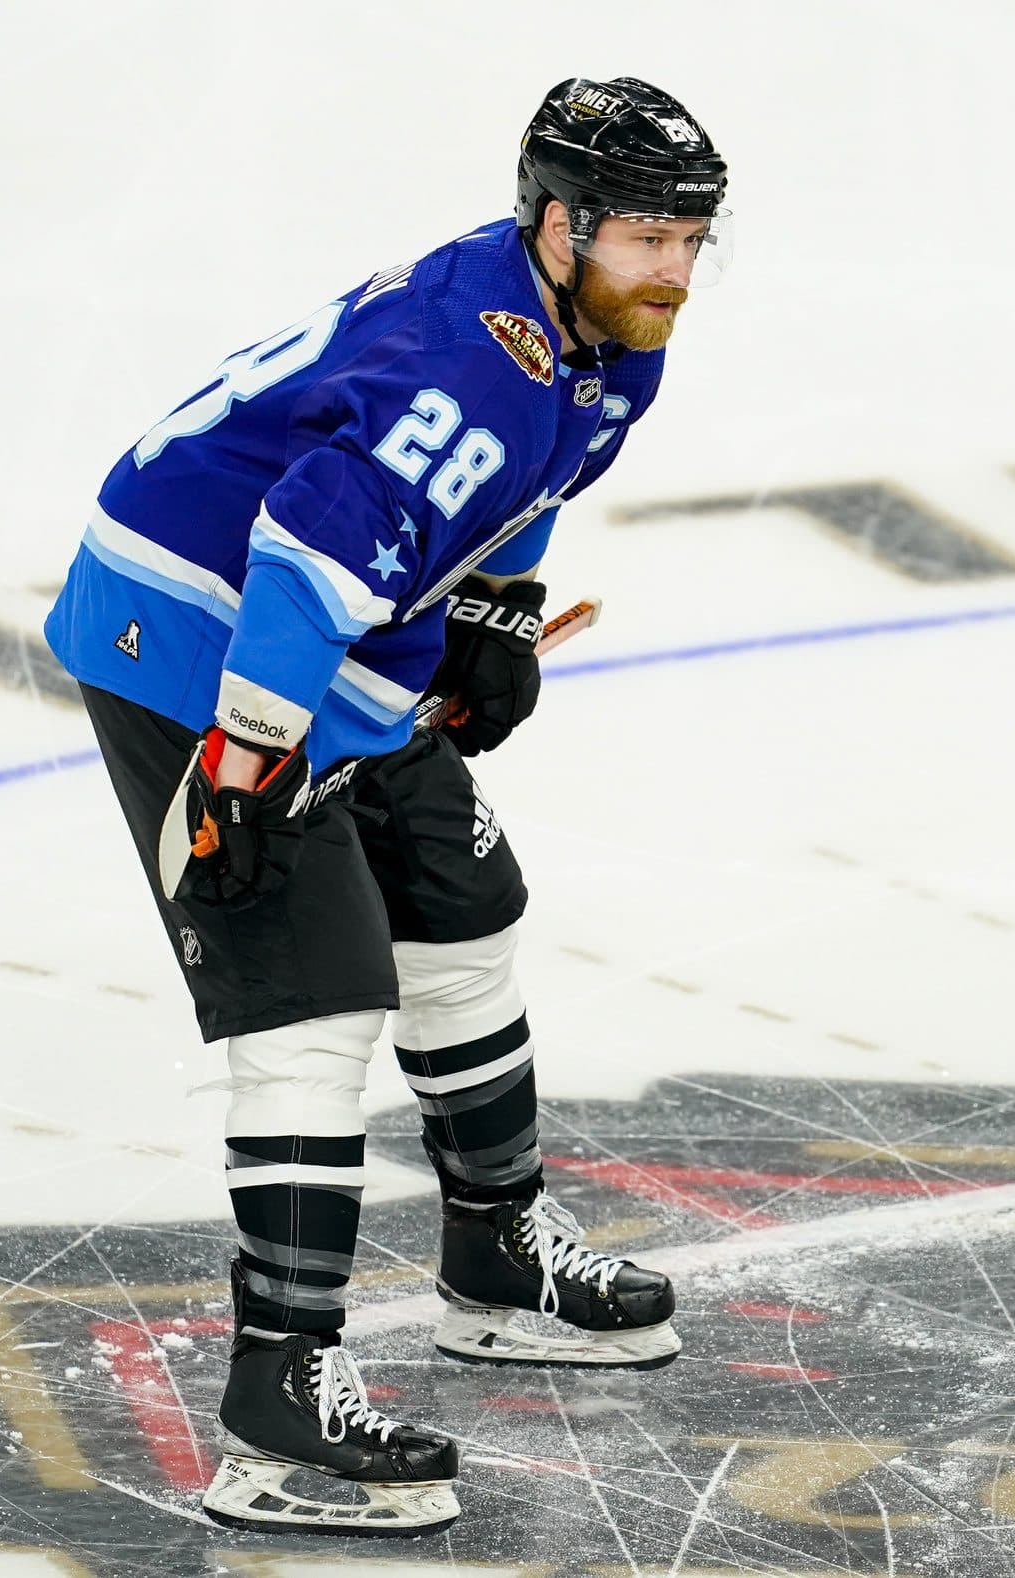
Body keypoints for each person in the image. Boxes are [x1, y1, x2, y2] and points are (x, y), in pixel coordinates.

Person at [40, 77, 731, 1535]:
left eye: (691, 237)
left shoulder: (603, 335)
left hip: (336, 642)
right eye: (646, 237)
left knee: (464, 903)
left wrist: (493, 602)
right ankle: (274, 1403)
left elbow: (539, 466)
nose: (673, 267)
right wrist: (241, 763)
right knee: (313, 1007)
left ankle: (496, 1262)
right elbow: (302, 545)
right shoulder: (469, 362)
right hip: (205, 640)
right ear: (559, 222)